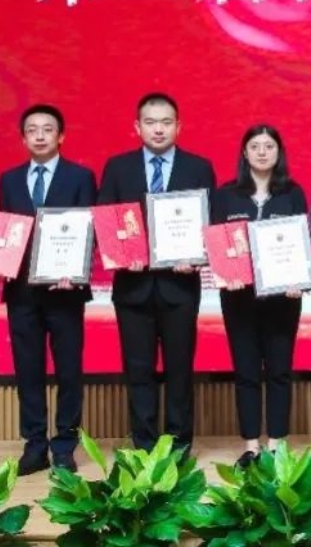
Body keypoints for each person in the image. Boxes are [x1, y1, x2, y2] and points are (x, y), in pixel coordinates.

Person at [98, 92, 216, 453]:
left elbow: (210, 225)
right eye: (150, 122)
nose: (159, 129)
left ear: (179, 126)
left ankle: (179, 446)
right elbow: (106, 221)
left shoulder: (199, 168)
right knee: (138, 371)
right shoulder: (118, 168)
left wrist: (197, 256)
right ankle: (145, 447)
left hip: (180, 287)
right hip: (132, 288)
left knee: (180, 371)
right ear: (137, 127)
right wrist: (121, 255)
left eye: (166, 122)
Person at [0, 104, 97, 474]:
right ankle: (34, 444)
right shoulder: (8, 179)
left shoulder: (81, 177)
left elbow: (90, 230)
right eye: (32, 130)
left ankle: (65, 445)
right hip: (21, 293)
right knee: (28, 370)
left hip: (65, 291)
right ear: (23, 138)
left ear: (61, 136)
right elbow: (5, 229)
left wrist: (76, 271)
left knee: (69, 370)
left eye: (47, 129)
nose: (40, 136)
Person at [210, 125, 307, 468]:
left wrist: (299, 279)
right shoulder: (226, 195)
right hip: (239, 299)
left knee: (279, 371)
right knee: (246, 371)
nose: (262, 152)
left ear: (279, 152)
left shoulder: (292, 193)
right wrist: (226, 272)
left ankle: (277, 443)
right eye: (255, 146)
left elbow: (302, 241)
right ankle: (251, 445)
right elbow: (217, 243)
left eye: (269, 146)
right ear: (245, 152)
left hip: (283, 299)